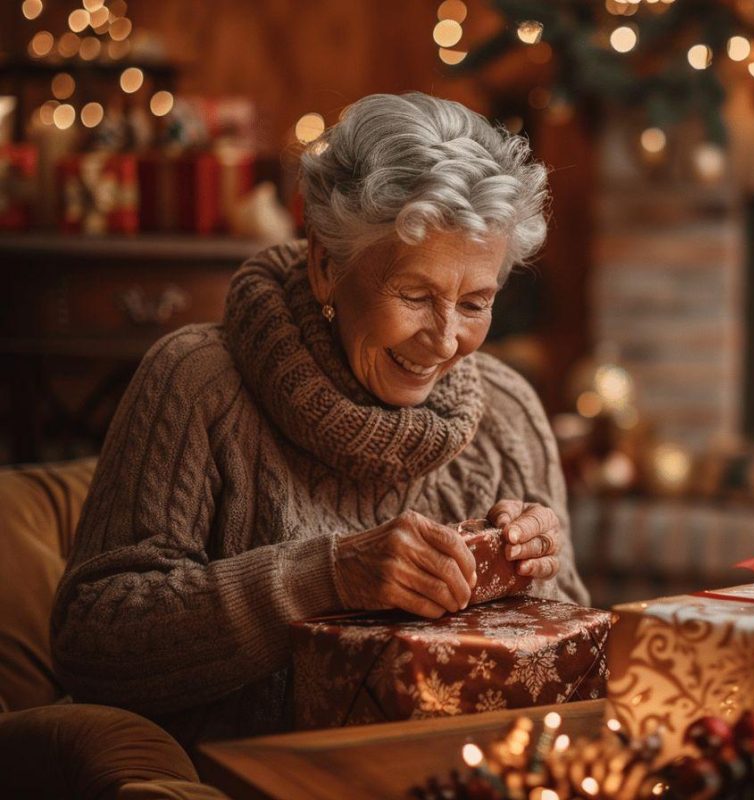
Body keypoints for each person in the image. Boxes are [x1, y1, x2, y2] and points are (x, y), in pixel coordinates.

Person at [51, 92, 588, 745]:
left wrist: (530, 569)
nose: (445, 339)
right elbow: (92, 642)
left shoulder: (509, 412)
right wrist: (324, 576)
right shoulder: (197, 383)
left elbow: (567, 663)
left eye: (475, 303)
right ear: (326, 265)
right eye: (415, 296)